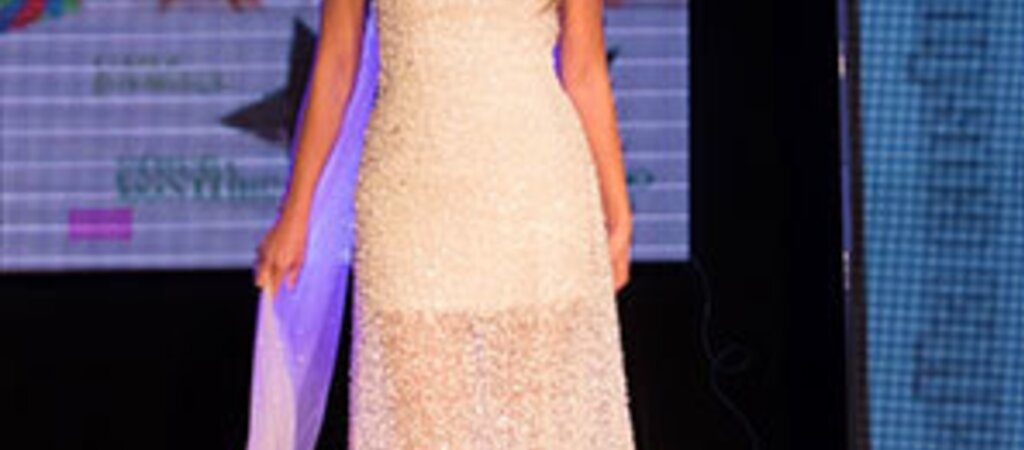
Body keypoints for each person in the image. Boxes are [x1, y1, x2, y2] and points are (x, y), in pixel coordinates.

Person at [249, 0, 635, 448]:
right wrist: (296, 211)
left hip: (536, 194)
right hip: (409, 196)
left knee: (536, 428)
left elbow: (584, 69)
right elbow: (336, 63)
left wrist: (618, 209)